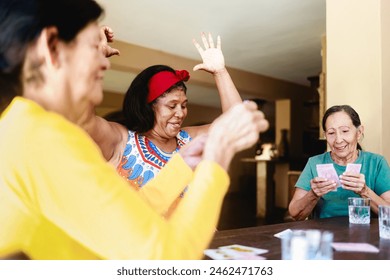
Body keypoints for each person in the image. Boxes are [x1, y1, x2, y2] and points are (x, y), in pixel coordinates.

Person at [0, 0, 268, 259]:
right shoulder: (47, 140)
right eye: (92, 47)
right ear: (52, 47)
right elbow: (166, 260)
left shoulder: (24, 129)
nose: (105, 62)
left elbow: (126, 216)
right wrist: (215, 164)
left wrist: (183, 164)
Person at [84, 29, 245, 216]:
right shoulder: (121, 140)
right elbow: (83, 119)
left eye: (184, 105)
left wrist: (220, 72)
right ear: (148, 106)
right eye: (172, 106)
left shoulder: (188, 140)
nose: (180, 113)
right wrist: (93, 62)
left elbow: (235, 123)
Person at [289, 105, 390, 220]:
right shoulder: (314, 163)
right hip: (324, 235)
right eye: (331, 133)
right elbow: (295, 213)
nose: (338, 140)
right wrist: (313, 194)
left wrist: (365, 191)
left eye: (345, 131)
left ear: (359, 132)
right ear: (325, 135)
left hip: (365, 234)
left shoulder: (376, 163)